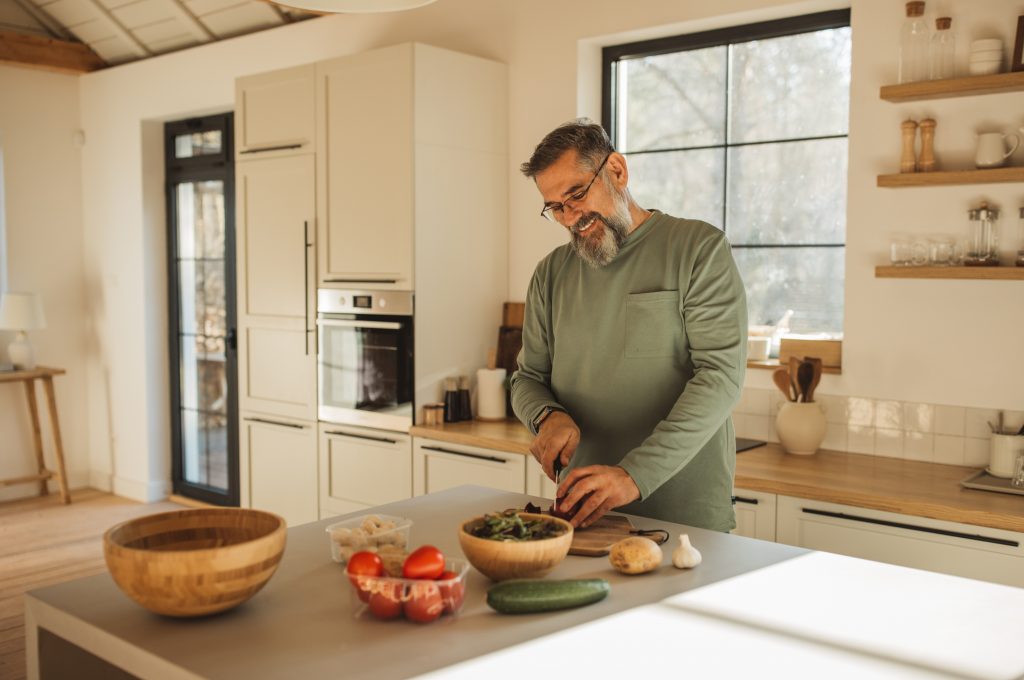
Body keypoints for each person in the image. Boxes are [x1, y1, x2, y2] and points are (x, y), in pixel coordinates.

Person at [510, 119, 747, 532]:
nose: (570, 218)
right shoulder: (551, 274)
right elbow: (527, 378)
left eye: (577, 194)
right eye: (556, 207)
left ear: (617, 170)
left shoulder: (698, 249)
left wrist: (634, 475)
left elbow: (721, 377)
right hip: (584, 514)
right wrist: (547, 415)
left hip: (686, 516)